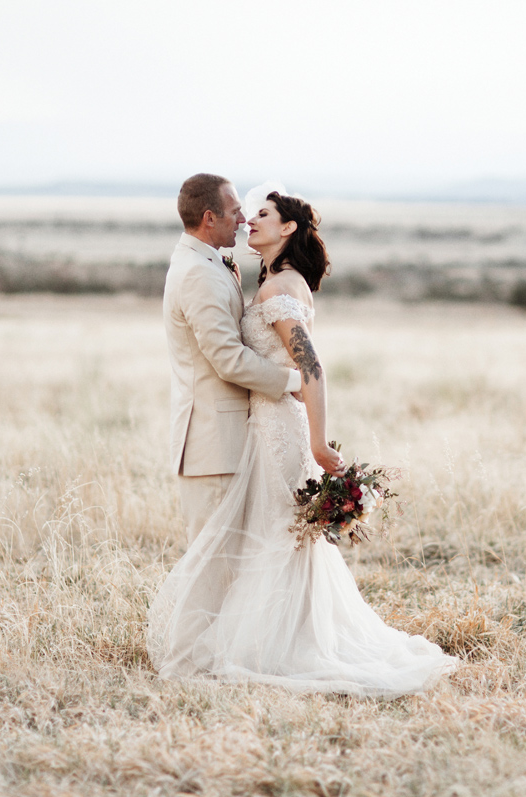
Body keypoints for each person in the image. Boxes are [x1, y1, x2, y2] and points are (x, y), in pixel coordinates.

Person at [150, 186, 459, 697]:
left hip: (279, 428)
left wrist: (318, 443)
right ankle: (265, 642)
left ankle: (278, 649)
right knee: (273, 540)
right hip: (261, 424)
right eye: (243, 213)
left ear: (288, 228)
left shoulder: (278, 289)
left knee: (277, 539)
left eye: (263, 214)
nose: (249, 220)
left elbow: (312, 368)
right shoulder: (267, 279)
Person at [163, 173, 307, 544]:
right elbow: (228, 358)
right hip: (213, 446)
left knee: (235, 564)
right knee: (215, 566)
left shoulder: (209, 264)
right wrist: (295, 380)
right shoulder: (198, 273)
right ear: (210, 218)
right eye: (235, 211)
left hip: (232, 442)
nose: (244, 220)